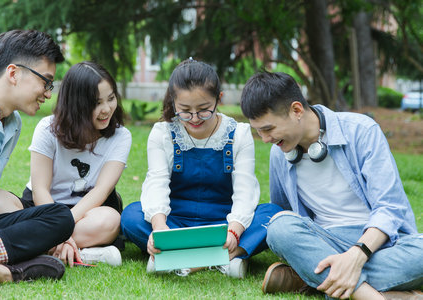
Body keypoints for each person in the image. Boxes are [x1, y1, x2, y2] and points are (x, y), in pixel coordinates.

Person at [240, 71, 423, 299]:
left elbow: (390, 208)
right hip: (325, 241)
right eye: (259, 131)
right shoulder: (280, 153)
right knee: (279, 227)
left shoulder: (362, 131)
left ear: (296, 110)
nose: (265, 139)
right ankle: (374, 296)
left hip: (380, 245)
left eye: (268, 129)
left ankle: (313, 278)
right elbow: (287, 218)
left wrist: (356, 255)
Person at [121, 59, 283, 278]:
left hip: (224, 224)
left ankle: (176, 258)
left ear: (219, 99)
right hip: (175, 222)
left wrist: (234, 231)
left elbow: (246, 191)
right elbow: (156, 182)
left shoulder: (240, 134)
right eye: (185, 111)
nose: (195, 118)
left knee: (273, 216)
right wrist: (159, 228)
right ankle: (226, 260)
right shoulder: (162, 132)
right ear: (173, 103)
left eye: (204, 110)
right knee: (131, 215)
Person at [0, 61, 131, 267]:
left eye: (110, 99)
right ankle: (82, 252)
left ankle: (35, 247)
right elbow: (40, 188)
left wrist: (61, 229)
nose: (106, 109)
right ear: (76, 105)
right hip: (42, 208)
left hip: (87, 211)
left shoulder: (121, 136)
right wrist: (56, 229)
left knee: (110, 220)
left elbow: (101, 191)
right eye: (96, 103)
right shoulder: (48, 128)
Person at [0, 29, 75, 289]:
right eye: (46, 81)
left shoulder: (13, 124)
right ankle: (6, 271)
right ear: (14, 73)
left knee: (60, 217)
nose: (48, 93)